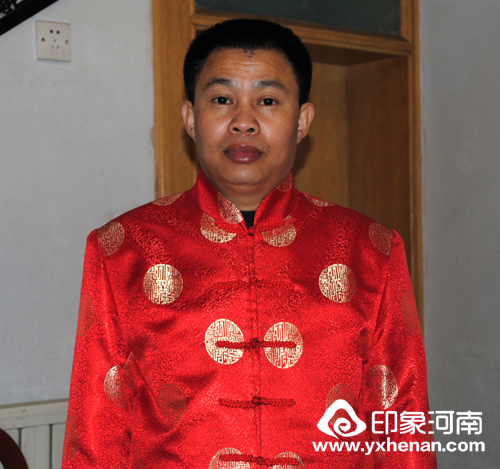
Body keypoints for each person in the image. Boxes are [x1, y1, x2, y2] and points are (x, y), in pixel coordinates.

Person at [63, 18, 437, 468]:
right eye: (222, 100)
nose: (243, 122)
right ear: (191, 118)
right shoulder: (123, 250)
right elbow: (95, 435)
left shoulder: (371, 250)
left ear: (302, 121)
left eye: (267, 101)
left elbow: (402, 426)